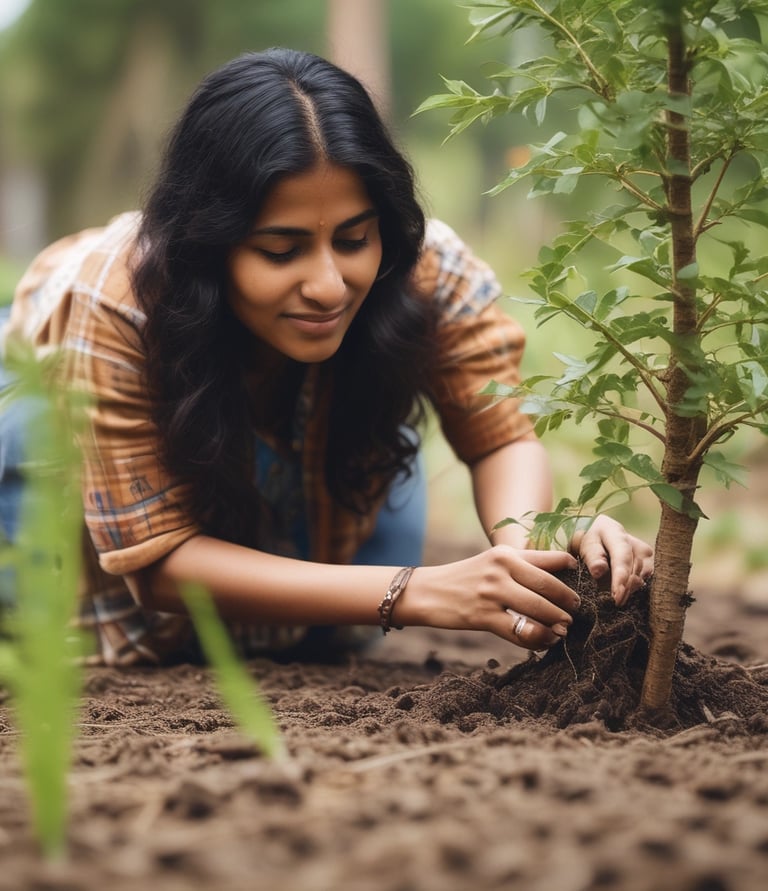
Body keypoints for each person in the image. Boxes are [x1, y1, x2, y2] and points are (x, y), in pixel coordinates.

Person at [0, 48, 653, 666]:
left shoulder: (422, 267)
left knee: (337, 626)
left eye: (352, 239)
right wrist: (416, 591)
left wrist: (530, 550)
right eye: (280, 250)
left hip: (311, 470)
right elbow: (158, 565)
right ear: (208, 244)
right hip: (56, 448)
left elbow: (498, 436)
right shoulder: (122, 306)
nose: (328, 285)